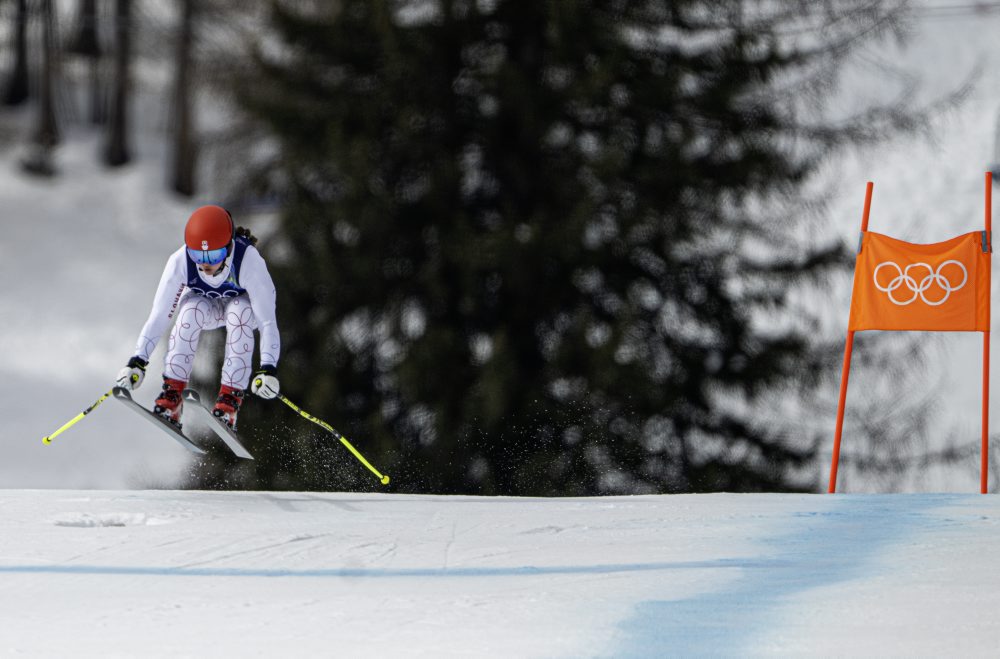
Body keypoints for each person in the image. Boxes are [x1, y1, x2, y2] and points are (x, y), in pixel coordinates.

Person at [115, 205, 281, 430]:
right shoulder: (180, 261)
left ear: (228, 247)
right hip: (206, 308)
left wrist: (268, 367)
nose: (205, 263)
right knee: (189, 311)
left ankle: (229, 401)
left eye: (213, 255)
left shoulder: (249, 261)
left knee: (238, 313)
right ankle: (172, 395)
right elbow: (160, 315)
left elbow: (267, 321)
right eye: (197, 255)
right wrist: (138, 361)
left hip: (242, 310)